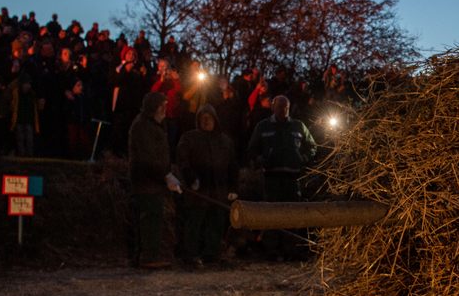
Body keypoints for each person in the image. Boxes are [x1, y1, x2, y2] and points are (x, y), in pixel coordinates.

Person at [247, 95, 317, 260]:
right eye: (279, 107)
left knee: (291, 212)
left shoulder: (298, 126)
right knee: (271, 212)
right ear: (273, 107)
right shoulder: (263, 127)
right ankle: (271, 249)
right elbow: (252, 149)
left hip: (293, 178)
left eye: (285, 107)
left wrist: (304, 159)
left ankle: (291, 249)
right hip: (271, 177)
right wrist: (259, 160)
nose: (282, 110)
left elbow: (312, 146)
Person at [175, 104, 239, 267]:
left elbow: (232, 165)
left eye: (209, 117)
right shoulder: (189, 138)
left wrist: (233, 188)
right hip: (199, 189)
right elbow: (183, 160)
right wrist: (190, 178)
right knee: (195, 221)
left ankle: (212, 253)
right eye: (202, 118)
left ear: (215, 119)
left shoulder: (225, 141)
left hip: (218, 188)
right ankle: (190, 254)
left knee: (216, 221)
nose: (206, 121)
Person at [128, 92, 180, 269]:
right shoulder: (143, 126)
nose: (165, 109)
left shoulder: (154, 126)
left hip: (154, 181)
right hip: (145, 181)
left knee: (153, 217)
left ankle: (148, 255)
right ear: (155, 107)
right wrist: (165, 175)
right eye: (162, 105)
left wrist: (167, 173)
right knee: (148, 218)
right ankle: (146, 257)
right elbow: (147, 158)